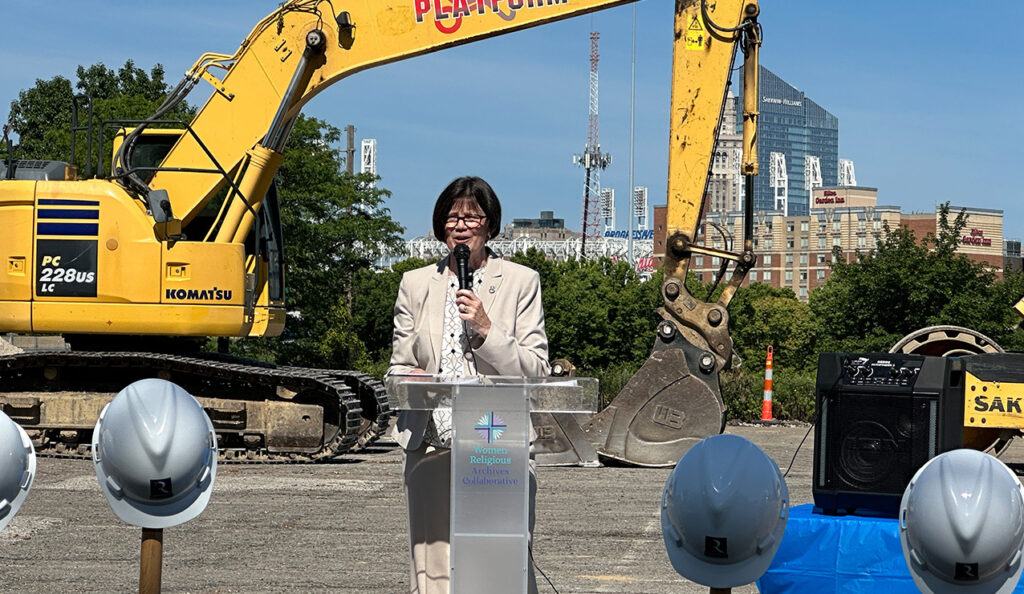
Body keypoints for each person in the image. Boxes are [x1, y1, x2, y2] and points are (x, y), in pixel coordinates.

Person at [388, 176, 550, 594]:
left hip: (496, 443)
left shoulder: (520, 281)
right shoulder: (415, 283)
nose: (460, 226)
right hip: (430, 445)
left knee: (497, 565)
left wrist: (485, 329)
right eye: (451, 218)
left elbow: (535, 369)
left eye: (471, 217)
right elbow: (397, 369)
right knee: (433, 567)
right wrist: (409, 378)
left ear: (490, 226)